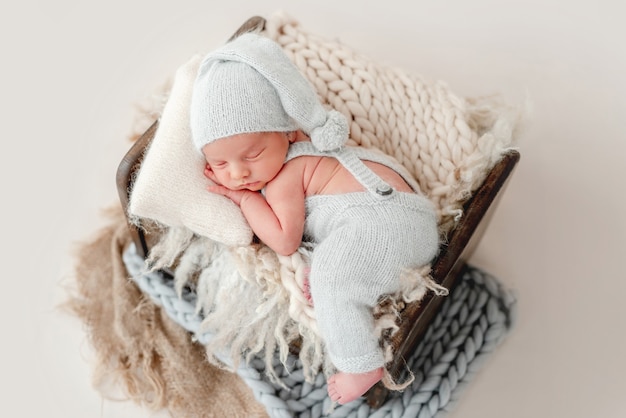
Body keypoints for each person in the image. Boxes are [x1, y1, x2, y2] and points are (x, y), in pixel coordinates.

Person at [189, 32, 439, 405]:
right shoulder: (311, 153)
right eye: (220, 164)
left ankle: (361, 363)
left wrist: (243, 200)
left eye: (253, 154)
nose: (239, 173)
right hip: (407, 220)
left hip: (382, 222)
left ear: (288, 133)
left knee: (334, 281)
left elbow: (284, 239)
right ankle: (339, 276)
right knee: (328, 271)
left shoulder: (288, 173)